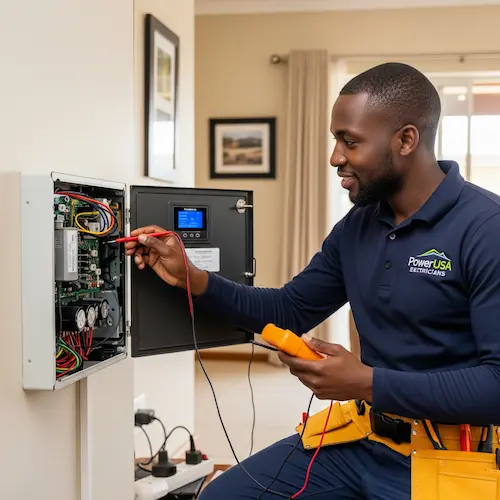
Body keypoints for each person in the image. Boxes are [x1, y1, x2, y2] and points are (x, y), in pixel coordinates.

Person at [126, 63, 500, 499]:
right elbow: (290, 309)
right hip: (361, 438)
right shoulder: (358, 224)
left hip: (450, 456)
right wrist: (194, 280)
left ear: (405, 140)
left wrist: (365, 381)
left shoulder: (485, 228)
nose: (335, 157)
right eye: (336, 140)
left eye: (351, 141)